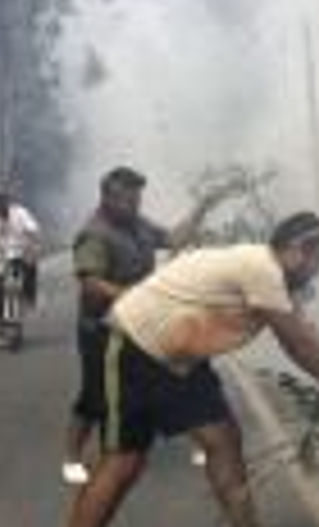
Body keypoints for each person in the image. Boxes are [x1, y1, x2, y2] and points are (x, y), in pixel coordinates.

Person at [41, 211, 319, 527]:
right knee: (123, 461)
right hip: (135, 347)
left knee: (223, 439)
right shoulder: (261, 268)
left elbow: (315, 339)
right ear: (295, 250)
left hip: (180, 357)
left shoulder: (278, 279)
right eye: (317, 258)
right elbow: (300, 347)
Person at [62, 165, 232, 485]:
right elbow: (91, 285)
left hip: (140, 323)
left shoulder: (137, 224)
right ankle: (72, 456)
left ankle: (203, 439)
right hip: (100, 327)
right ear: (109, 198)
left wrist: (203, 207)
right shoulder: (95, 234)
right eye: (129, 200)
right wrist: (137, 294)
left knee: (178, 371)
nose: (136, 206)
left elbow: (173, 238)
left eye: (138, 200)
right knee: (95, 396)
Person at [0, 184, 41, 345]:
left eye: (3, 200)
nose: (0, 204)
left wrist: (31, 249)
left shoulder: (20, 213)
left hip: (18, 255)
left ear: (8, 201)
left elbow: (33, 230)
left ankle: (26, 304)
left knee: (19, 282)